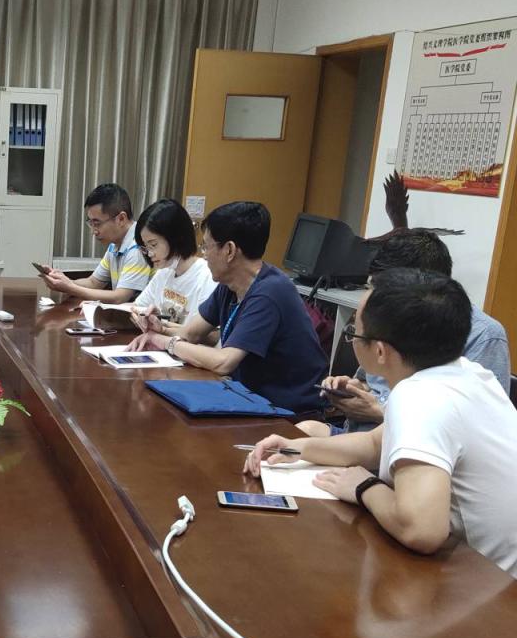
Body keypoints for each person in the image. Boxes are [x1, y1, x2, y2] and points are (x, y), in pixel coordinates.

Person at [245, 270, 517, 578]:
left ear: (379, 351)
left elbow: (422, 530)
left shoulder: (419, 397)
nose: (352, 339)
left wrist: (364, 487)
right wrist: (299, 448)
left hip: (488, 585)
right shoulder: (467, 373)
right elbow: (375, 443)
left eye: (354, 332)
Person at [298, 229, 511, 436]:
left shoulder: (484, 335)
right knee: (302, 433)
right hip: (361, 436)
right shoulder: (393, 316)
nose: (373, 298)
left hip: (411, 444)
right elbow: (370, 382)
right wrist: (353, 389)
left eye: (383, 290)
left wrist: (378, 411)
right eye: (372, 287)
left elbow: (474, 427)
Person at [144, 201, 327, 415]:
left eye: (206, 247)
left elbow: (224, 362)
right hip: (247, 396)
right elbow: (191, 333)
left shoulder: (270, 292)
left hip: (289, 412)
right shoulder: (229, 285)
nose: (204, 255)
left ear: (229, 250)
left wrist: (165, 342)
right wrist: (160, 328)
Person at [41, 183, 153, 303]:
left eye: (97, 223)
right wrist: (63, 281)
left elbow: (120, 297)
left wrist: (70, 288)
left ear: (121, 219)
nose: (93, 231)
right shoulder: (115, 245)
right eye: (91, 223)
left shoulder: (138, 247)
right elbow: (93, 282)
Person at [123, 198, 215, 344]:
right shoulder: (164, 272)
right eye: (145, 247)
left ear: (176, 238)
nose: (149, 254)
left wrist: (162, 326)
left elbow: (211, 337)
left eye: (153, 245)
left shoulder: (208, 276)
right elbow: (137, 306)